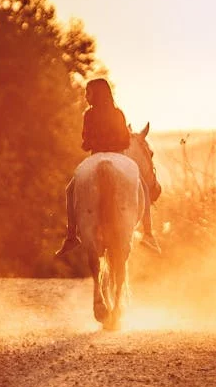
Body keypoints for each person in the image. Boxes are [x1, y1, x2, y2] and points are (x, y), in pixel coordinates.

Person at [55, 78, 160, 257]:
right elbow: (126, 140)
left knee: (69, 190)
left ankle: (71, 236)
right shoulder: (118, 114)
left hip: (95, 156)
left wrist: (90, 143)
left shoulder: (88, 115)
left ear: (96, 94)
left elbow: (86, 141)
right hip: (118, 155)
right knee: (142, 185)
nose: (86, 97)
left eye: (88, 93)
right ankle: (148, 234)